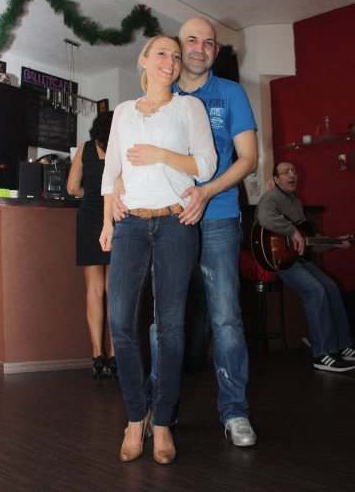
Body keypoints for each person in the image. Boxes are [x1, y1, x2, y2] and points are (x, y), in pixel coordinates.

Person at [113, 18, 259, 447]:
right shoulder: (162, 95)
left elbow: (249, 158)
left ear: (216, 52)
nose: (198, 48)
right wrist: (119, 182)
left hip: (218, 216)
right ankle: (163, 409)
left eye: (208, 43)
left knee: (226, 316)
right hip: (166, 221)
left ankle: (235, 411)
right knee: (165, 321)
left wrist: (206, 192)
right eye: (190, 41)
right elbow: (132, 155)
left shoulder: (230, 93)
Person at [99, 34, 217, 464]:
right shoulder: (123, 112)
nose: (171, 60)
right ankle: (136, 416)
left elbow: (206, 164)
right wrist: (107, 220)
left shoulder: (190, 108)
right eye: (163, 53)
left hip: (175, 223)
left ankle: (163, 420)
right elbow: (111, 171)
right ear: (144, 60)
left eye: (177, 55)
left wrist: (160, 154)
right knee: (120, 322)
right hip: (130, 224)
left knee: (170, 327)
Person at [254, 161, 355, 372]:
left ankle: (343, 346)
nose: (292, 175)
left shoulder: (295, 201)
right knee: (315, 290)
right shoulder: (271, 198)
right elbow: (264, 217)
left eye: (294, 171)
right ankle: (323, 354)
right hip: (281, 260)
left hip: (299, 259)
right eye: (285, 172)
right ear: (276, 180)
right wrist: (292, 231)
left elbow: (307, 238)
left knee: (331, 288)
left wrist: (335, 242)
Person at [67, 111, 117, 380]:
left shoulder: (84, 150)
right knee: (114, 290)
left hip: (88, 220)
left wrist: (92, 194)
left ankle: (98, 355)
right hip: (116, 219)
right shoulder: (122, 149)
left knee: (94, 290)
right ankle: (115, 354)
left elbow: (72, 188)